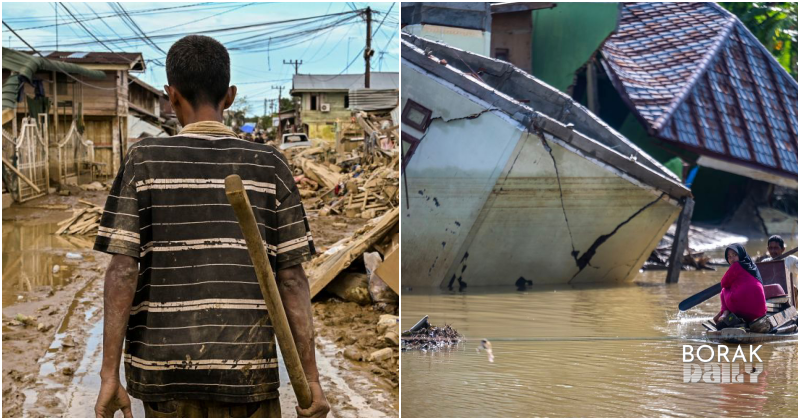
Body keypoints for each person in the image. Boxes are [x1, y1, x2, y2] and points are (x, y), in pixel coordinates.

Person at [93, 35, 330, 418]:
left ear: (171, 97)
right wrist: (311, 378)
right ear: (231, 95)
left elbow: (122, 271)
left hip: (164, 374)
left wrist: (108, 375)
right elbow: (291, 279)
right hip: (247, 375)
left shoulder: (144, 160)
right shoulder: (269, 164)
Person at [713, 244, 767, 325]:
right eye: (729, 256)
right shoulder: (753, 266)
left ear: (740, 254)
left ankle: (725, 313)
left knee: (724, 290)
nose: (732, 259)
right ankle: (725, 312)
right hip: (760, 312)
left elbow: (723, 283)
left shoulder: (736, 266)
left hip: (740, 310)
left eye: (734, 255)